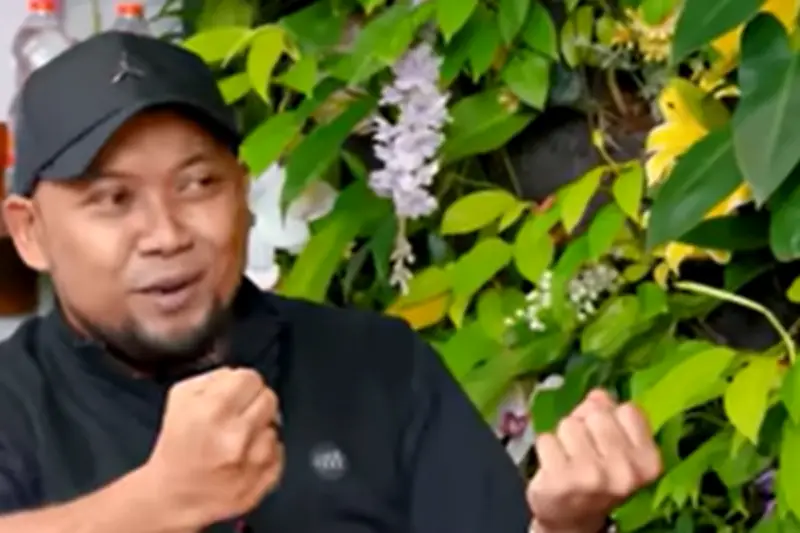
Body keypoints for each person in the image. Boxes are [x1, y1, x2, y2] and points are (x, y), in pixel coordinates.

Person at [0, 31, 662, 533]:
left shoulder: (376, 364)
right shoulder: (14, 406)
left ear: (242, 193)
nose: (166, 233)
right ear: (30, 231)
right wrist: (157, 503)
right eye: (113, 200)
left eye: (197, 184)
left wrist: (566, 524)